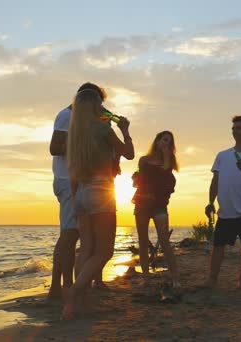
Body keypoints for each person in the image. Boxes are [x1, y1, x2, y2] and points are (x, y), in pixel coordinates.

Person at [62, 87, 134, 320]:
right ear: (94, 106)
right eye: (100, 105)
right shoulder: (103, 129)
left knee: (86, 249)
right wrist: (125, 130)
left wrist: (75, 199)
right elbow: (129, 153)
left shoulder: (75, 134)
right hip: (101, 191)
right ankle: (73, 294)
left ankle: (80, 304)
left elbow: (73, 172)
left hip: (81, 192)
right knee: (104, 252)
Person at [47, 83, 104, 298]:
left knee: (75, 234)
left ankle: (66, 286)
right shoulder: (66, 116)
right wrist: (84, 146)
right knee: (69, 235)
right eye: (97, 102)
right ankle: (60, 287)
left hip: (79, 181)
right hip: (65, 179)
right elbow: (54, 147)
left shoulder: (83, 119)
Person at [204, 116, 241, 289]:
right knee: (218, 246)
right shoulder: (222, 155)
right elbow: (215, 181)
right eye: (233, 128)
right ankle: (212, 279)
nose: (235, 131)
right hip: (225, 211)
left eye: (239, 128)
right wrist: (210, 202)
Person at [132, 131, 180, 288]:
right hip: (142, 203)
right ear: (157, 141)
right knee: (143, 239)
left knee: (164, 240)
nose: (167, 143)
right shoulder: (144, 160)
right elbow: (143, 179)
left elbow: (166, 177)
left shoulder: (169, 161)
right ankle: (146, 278)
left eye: (169, 141)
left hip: (159, 204)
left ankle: (175, 278)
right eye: (164, 139)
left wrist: (166, 157)